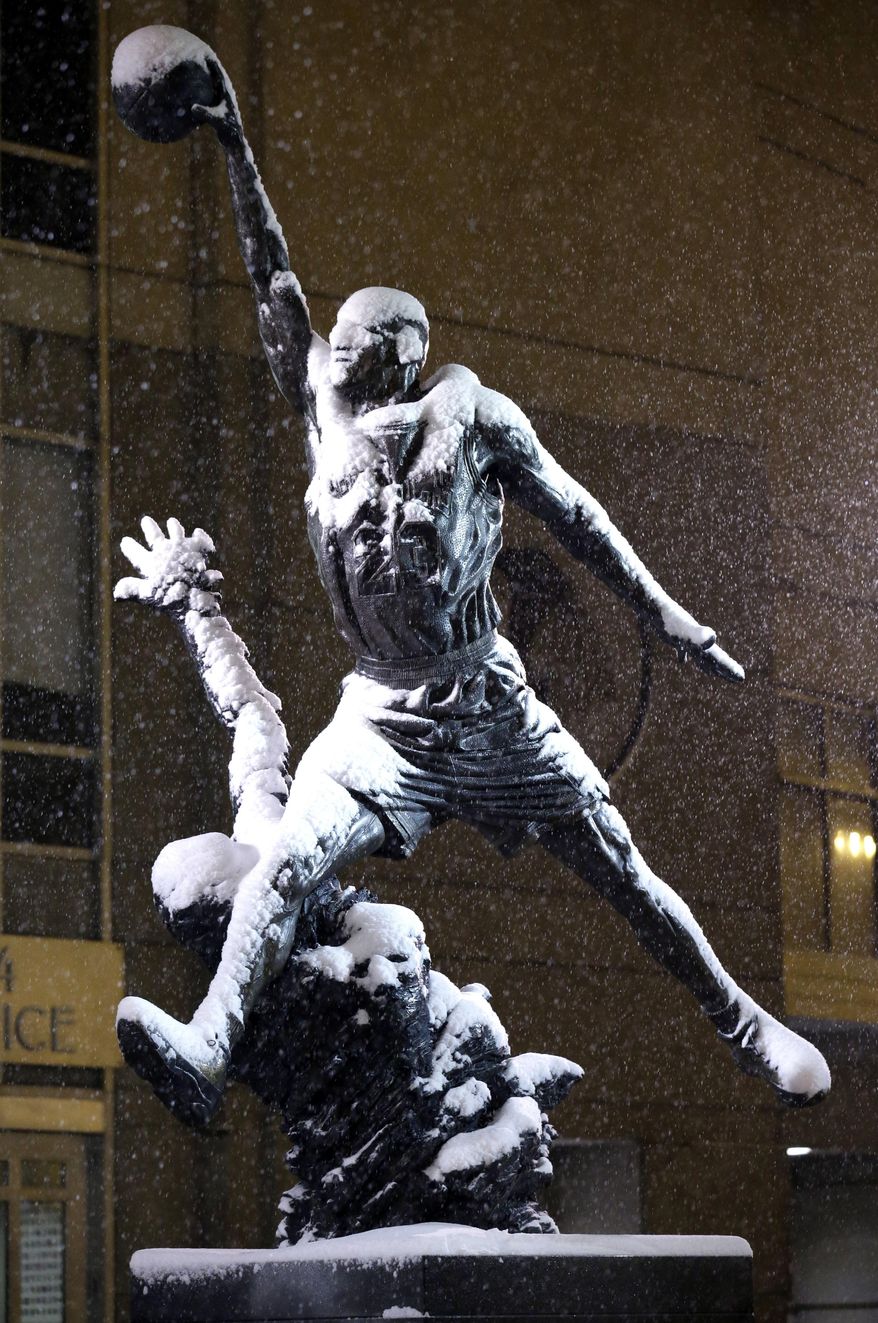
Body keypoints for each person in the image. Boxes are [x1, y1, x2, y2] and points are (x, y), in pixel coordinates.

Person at [114, 31, 830, 1125]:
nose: (339, 338)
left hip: (486, 698)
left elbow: (578, 515)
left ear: (403, 347)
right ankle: (205, 1047)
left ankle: (747, 1025)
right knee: (287, 868)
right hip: (379, 710)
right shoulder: (326, 413)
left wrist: (665, 619)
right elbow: (273, 275)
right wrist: (231, 141)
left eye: (364, 330)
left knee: (618, 870)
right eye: (339, 329)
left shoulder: (476, 417)